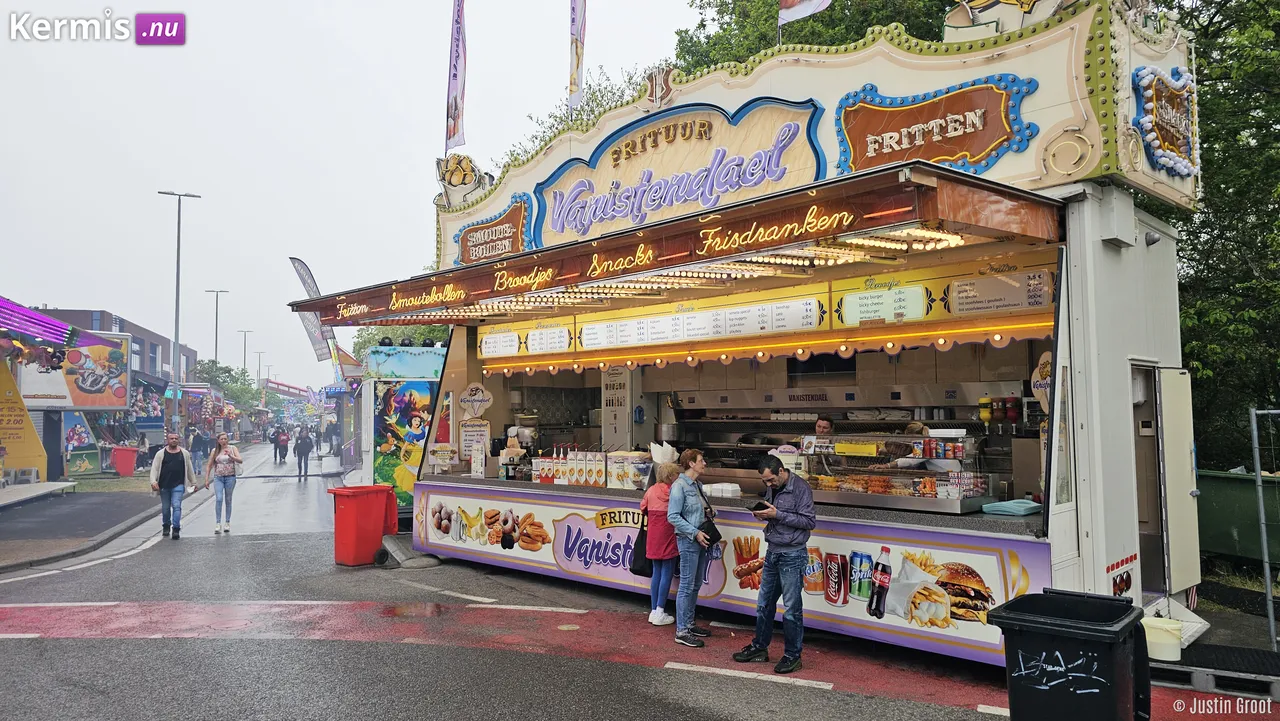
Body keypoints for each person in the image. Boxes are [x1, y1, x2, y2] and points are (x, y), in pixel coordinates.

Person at [732, 455, 817, 674]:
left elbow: (809, 522)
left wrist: (777, 514)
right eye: (765, 482)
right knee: (764, 605)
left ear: (780, 471)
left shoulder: (801, 488)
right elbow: (775, 514)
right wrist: (764, 515)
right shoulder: (773, 486)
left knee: (791, 610)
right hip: (773, 552)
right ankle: (760, 647)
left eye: (770, 480)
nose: (769, 485)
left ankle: (792, 656)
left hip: (792, 554)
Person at [667, 448, 714, 647]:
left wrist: (710, 512)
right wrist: (695, 532)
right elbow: (673, 516)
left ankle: (689, 622)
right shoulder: (679, 486)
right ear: (692, 463)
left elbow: (694, 510)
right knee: (686, 585)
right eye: (701, 460)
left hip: (700, 539)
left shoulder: (697, 485)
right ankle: (682, 630)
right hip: (689, 539)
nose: (704, 464)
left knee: (695, 584)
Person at [641, 463, 681, 627]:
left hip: (653, 536)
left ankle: (653, 610)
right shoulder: (674, 491)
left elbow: (643, 507)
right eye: (676, 474)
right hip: (669, 535)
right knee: (667, 572)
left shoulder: (651, 490)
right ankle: (660, 610)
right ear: (671, 476)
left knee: (656, 572)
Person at [149, 432, 197, 540]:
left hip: (178, 485)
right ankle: (166, 525)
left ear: (178, 440)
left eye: (176, 438)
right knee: (166, 508)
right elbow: (154, 469)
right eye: (171, 438)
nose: (174, 440)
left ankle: (176, 528)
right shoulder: (160, 454)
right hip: (164, 485)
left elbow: (189, 469)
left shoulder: (184, 453)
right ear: (167, 440)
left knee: (176, 506)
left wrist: (193, 482)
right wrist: (153, 482)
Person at [867, 422, 962, 473]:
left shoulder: (927, 445)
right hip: (949, 472)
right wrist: (885, 450)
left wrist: (886, 466)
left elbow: (911, 459)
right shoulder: (930, 440)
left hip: (950, 475)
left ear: (912, 435)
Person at [204, 432, 242, 534]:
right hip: (218, 477)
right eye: (222, 439)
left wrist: (231, 456)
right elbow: (209, 465)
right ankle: (217, 523)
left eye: (225, 439)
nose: (224, 441)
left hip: (230, 477)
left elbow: (240, 460)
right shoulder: (215, 451)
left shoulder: (233, 449)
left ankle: (227, 522)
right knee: (219, 498)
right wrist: (206, 479)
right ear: (218, 441)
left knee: (228, 499)